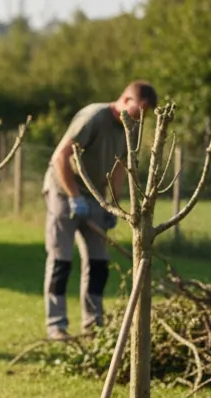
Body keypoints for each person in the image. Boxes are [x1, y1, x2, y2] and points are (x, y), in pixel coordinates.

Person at [42, 80, 158, 341]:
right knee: (61, 260)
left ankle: (93, 324)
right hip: (63, 190)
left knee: (99, 263)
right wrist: (74, 198)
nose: (139, 119)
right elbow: (62, 156)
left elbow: (119, 168)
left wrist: (112, 206)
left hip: (94, 196)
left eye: (143, 115)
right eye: (138, 112)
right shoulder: (93, 116)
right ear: (125, 100)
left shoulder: (131, 127)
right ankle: (56, 326)